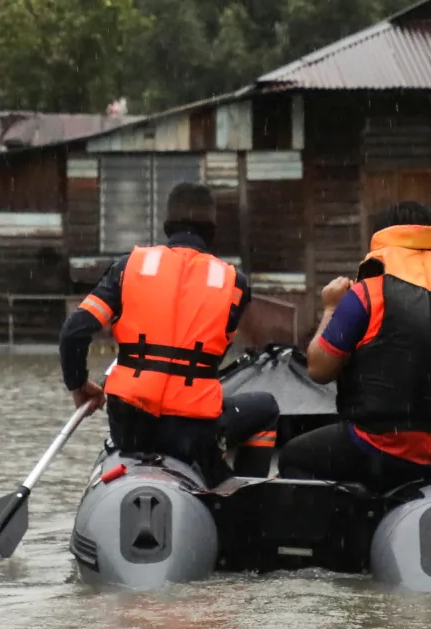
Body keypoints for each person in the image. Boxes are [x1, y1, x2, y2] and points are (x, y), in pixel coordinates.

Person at [58, 182, 278, 481]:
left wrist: (79, 384)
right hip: (189, 431)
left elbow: (73, 332)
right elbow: (214, 357)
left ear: (166, 227)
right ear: (212, 231)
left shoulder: (128, 266)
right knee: (266, 409)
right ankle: (247, 494)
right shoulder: (235, 284)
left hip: (130, 427)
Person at [277, 200, 431, 493]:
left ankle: (346, 529)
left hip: (382, 448)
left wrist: (331, 307)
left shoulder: (367, 293)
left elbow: (318, 369)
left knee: (294, 456)